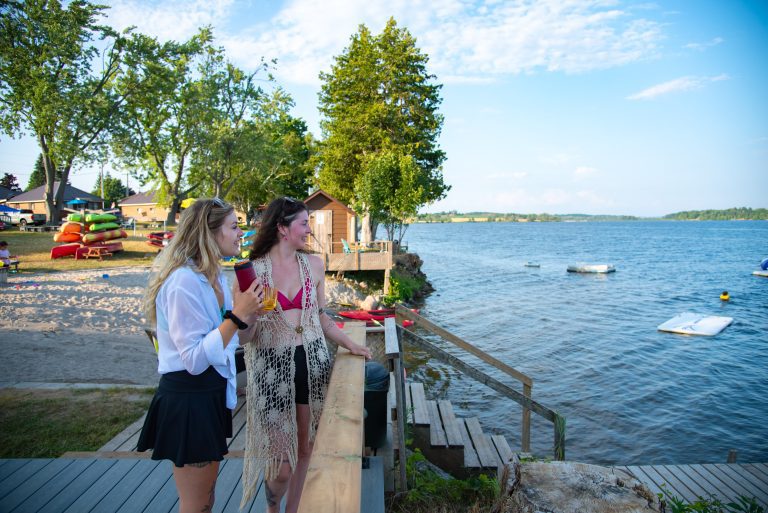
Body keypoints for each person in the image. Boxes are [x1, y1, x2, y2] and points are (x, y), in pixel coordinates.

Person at [240, 197, 371, 512]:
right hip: (272, 368)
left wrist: (349, 344)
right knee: (280, 462)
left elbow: (322, 317)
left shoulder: (314, 265)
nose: (309, 230)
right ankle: (273, 507)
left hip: (313, 363)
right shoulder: (251, 272)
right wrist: (251, 314)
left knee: (305, 449)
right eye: (304, 223)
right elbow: (244, 337)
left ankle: (292, 510)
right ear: (283, 228)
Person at [137, 198, 263, 513]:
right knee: (195, 504)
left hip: (210, 395)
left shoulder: (215, 277)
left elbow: (231, 341)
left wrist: (251, 315)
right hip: (188, 399)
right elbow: (193, 359)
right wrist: (235, 317)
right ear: (210, 233)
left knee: (207, 499)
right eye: (234, 227)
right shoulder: (182, 282)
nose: (241, 234)